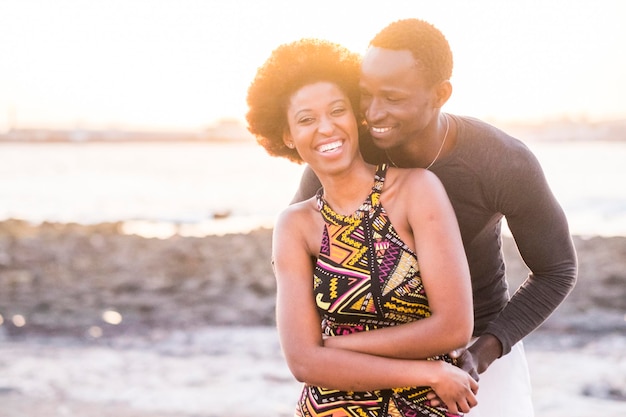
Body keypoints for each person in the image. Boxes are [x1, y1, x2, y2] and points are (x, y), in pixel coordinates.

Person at [291, 19, 578, 416]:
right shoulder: (349, 152)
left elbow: (557, 269)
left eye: (392, 98)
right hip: (370, 354)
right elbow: (301, 248)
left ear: (440, 94)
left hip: (476, 352)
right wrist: (332, 346)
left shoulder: (501, 161)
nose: (373, 112)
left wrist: (485, 350)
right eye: (365, 94)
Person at [246, 38, 478, 416]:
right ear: (288, 135)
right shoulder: (295, 225)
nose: (326, 128)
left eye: (337, 110)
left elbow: (453, 328)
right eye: (306, 119)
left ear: (356, 116)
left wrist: (336, 347)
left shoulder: (415, 191)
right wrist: (428, 372)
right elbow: (303, 364)